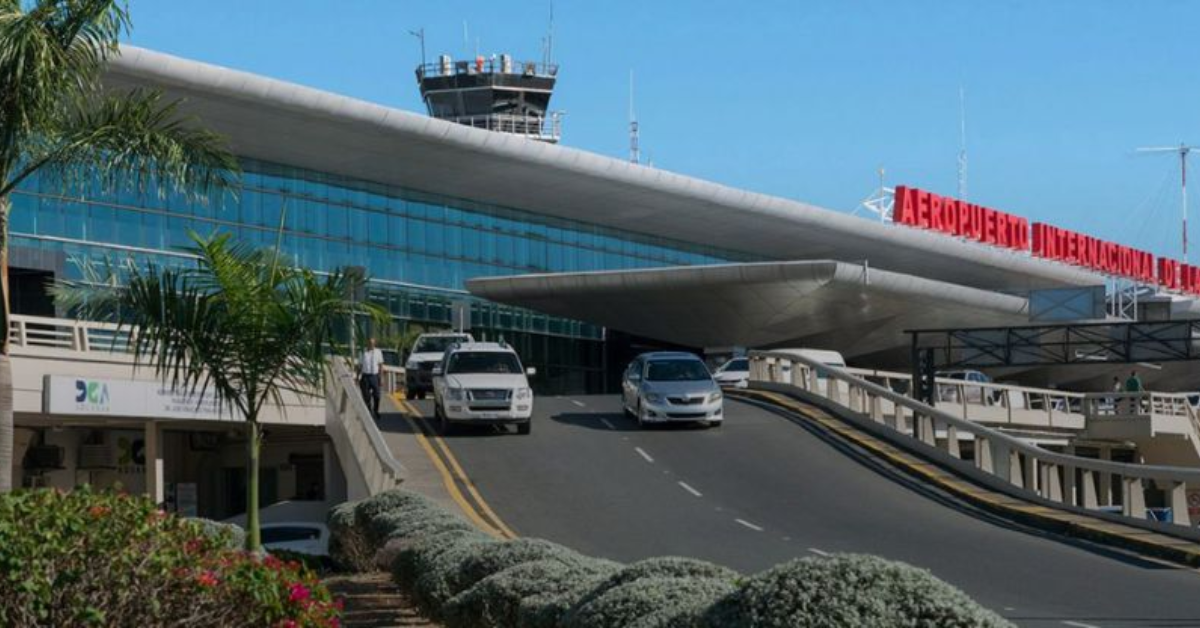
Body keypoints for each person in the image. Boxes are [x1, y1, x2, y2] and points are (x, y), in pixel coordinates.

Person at [360, 337, 384, 419]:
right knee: (366, 396)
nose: (371, 345)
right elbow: (360, 365)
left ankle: (376, 410)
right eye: (370, 343)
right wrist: (357, 376)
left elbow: (380, 365)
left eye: (373, 343)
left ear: (375, 344)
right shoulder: (363, 352)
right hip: (365, 376)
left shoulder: (378, 352)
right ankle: (369, 410)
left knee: (377, 395)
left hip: (374, 376)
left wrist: (381, 377)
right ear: (367, 343)